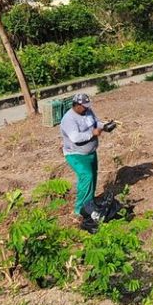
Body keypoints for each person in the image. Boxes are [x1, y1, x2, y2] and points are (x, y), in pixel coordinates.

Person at [59, 92, 105, 223]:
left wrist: (105, 126)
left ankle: (90, 203)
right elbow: (75, 137)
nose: (86, 108)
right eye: (84, 106)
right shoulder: (69, 119)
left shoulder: (88, 111)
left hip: (91, 152)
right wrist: (93, 133)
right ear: (76, 105)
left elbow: (96, 122)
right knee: (87, 176)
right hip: (76, 154)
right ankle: (80, 210)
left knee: (93, 178)